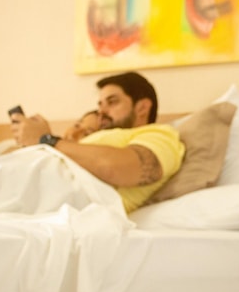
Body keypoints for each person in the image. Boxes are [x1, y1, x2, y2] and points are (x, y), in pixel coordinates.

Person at [10, 71, 185, 213]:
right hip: (25, 180)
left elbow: (115, 167)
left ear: (142, 107)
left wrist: (45, 139)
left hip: (45, 193)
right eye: (100, 104)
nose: (101, 111)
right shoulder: (95, 139)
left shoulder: (161, 135)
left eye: (112, 102)